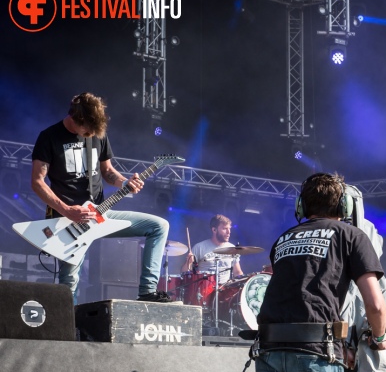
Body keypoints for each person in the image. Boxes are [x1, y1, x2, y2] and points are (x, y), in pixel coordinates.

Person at [245, 173, 386, 372]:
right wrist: (379, 338)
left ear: (301, 206)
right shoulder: (351, 235)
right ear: (343, 205)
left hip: (270, 350)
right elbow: (376, 305)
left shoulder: (283, 239)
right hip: (317, 353)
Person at [30, 92, 171, 303]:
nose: (89, 134)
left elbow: (107, 171)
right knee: (70, 281)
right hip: (69, 219)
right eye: (86, 130)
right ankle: (67, 329)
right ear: (75, 118)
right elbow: (37, 182)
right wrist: (67, 210)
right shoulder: (49, 137)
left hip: (101, 212)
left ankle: (147, 292)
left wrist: (125, 182)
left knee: (159, 226)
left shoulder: (97, 134)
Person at [183, 214, 244, 284]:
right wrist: (189, 262)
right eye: (224, 229)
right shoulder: (199, 247)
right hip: (205, 290)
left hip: (225, 291)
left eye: (229, 228)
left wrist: (244, 281)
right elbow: (184, 273)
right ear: (214, 230)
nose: (229, 232)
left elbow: (237, 272)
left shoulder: (233, 248)